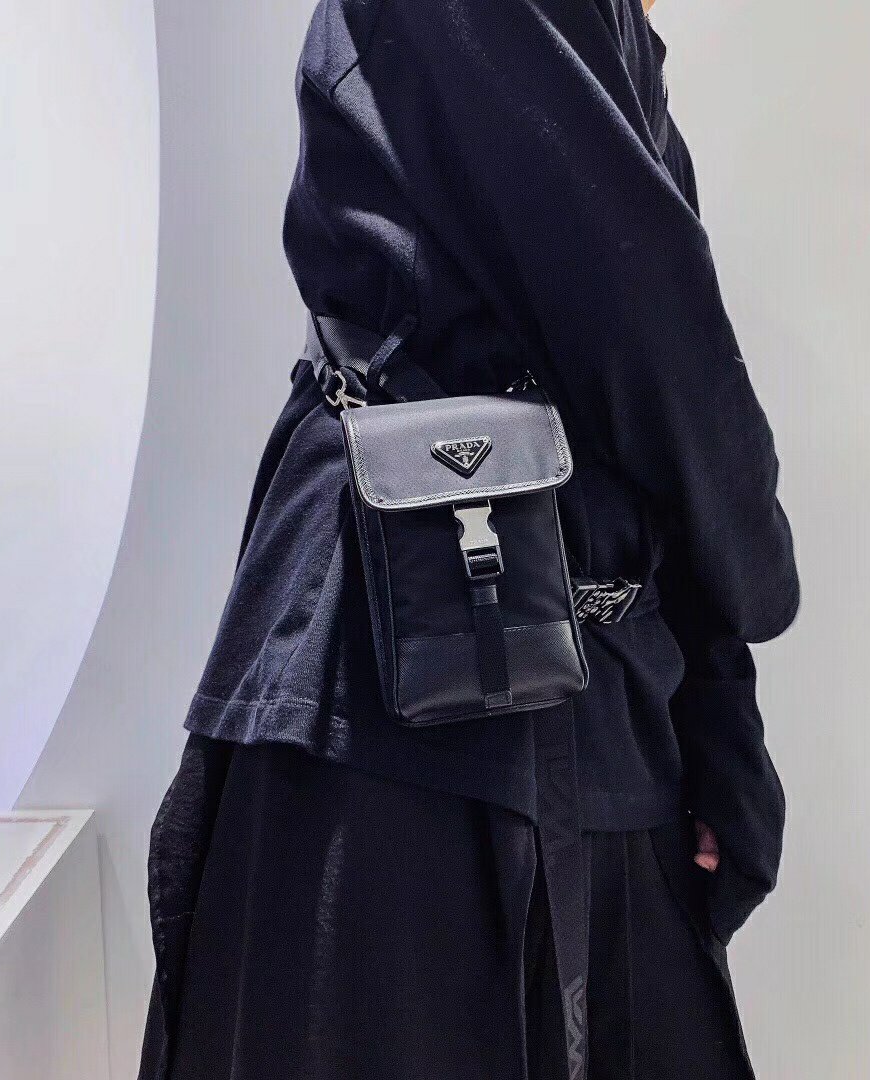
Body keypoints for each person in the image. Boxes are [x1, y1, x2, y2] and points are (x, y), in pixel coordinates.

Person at [137, 0, 799, 1077]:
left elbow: (638, 338)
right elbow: (641, 314)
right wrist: (752, 590)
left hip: (532, 687)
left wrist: (718, 698)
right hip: (411, 703)